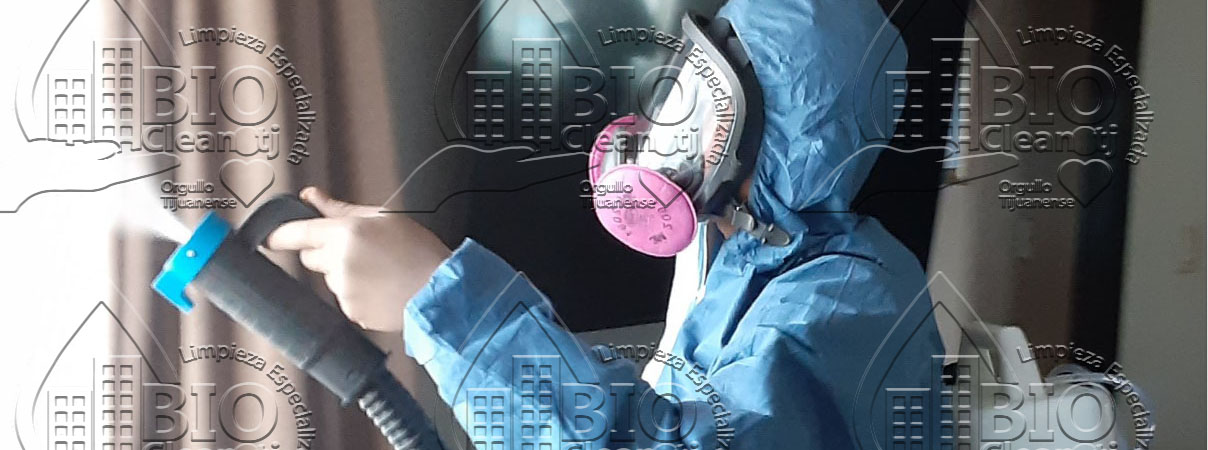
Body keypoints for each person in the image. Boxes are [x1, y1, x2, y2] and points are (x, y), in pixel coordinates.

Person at [266, 0, 944, 447]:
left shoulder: (848, 298)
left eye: (701, 96)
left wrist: (451, 307)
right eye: (681, 82)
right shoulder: (747, 254)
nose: (669, 118)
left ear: (771, 133)